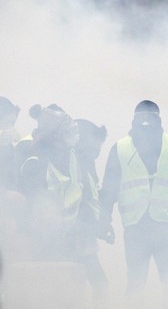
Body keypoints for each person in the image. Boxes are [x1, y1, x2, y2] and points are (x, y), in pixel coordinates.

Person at [99, 99, 168, 294]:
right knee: (139, 282)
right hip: (140, 227)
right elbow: (109, 189)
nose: (146, 122)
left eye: (149, 117)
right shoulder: (121, 148)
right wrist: (104, 220)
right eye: (143, 117)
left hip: (163, 226)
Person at [17, 105, 87, 262]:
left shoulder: (71, 153)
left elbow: (79, 190)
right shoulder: (28, 148)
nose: (72, 138)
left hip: (67, 231)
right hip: (36, 234)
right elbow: (21, 190)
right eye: (67, 133)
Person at [72, 118, 109, 293]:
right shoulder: (73, 162)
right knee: (97, 282)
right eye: (96, 146)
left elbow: (92, 198)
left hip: (85, 230)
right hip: (76, 231)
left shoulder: (87, 163)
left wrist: (101, 225)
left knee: (93, 281)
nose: (98, 151)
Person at [0, 96, 20, 191]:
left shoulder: (7, 146)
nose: (11, 128)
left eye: (13, 123)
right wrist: (5, 194)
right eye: (8, 123)